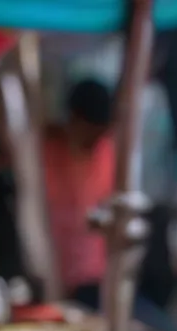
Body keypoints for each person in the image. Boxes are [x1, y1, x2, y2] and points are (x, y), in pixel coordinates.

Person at [42, 78, 115, 308]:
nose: (95, 141)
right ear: (73, 121)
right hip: (52, 285)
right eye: (90, 134)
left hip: (99, 284)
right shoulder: (43, 153)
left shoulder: (107, 152)